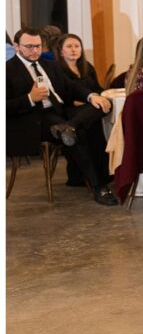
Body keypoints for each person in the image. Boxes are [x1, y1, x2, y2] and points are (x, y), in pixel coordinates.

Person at [6, 27, 117, 205]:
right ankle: (99, 186)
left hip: (60, 113)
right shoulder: (7, 70)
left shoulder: (49, 65)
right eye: (29, 47)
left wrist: (91, 96)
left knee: (103, 105)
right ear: (16, 46)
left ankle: (70, 126)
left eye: (38, 46)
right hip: (33, 118)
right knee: (75, 136)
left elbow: (71, 87)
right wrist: (29, 99)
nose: (35, 51)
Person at [55, 33, 109, 187]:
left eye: (77, 46)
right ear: (61, 51)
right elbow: (59, 95)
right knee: (90, 126)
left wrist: (103, 96)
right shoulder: (57, 69)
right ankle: (84, 176)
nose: (74, 50)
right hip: (69, 110)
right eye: (69, 46)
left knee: (100, 119)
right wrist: (81, 100)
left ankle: (101, 175)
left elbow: (97, 88)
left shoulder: (86, 66)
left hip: (88, 109)